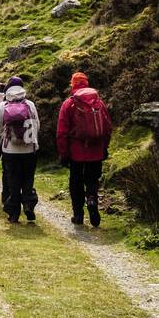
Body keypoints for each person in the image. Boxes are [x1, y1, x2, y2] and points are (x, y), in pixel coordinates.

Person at [56, 71, 113, 227]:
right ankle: (92, 200)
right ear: (86, 83)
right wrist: (104, 147)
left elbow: (61, 132)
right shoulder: (99, 103)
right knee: (92, 180)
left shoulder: (69, 103)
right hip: (96, 151)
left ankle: (78, 215)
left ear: (72, 85)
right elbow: (108, 128)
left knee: (76, 182)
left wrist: (63, 153)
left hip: (76, 153)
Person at [0, 76, 40, 223]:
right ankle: (28, 203)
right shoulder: (30, 104)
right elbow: (37, 125)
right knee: (28, 178)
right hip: (29, 150)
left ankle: (14, 212)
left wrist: (9, 137)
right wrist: (27, 137)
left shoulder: (3, 105)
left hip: (10, 151)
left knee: (13, 180)